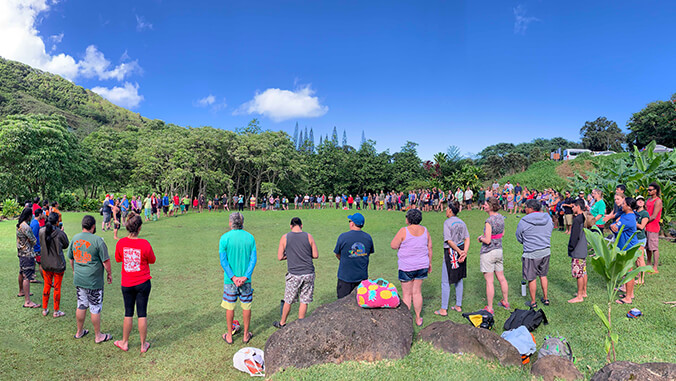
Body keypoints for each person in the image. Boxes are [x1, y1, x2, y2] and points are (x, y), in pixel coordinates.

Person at [114, 212, 156, 353]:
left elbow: (118, 259)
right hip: (143, 283)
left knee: (128, 313)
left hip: (127, 283)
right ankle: (143, 345)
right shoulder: (145, 244)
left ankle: (124, 342)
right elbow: (152, 260)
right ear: (139, 228)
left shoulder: (121, 243)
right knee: (142, 313)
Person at [68, 215, 113, 343]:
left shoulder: (75, 239)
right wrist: (109, 274)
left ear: (82, 225)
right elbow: (106, 261)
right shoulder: (98, 240)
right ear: (93, 226)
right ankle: (98, 335)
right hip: (94, 281)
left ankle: (79, 331)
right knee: (95, 307)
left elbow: (71, 258)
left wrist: (74, 270)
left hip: (80, 279)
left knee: (81, 305)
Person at [273, 217, 319, 328]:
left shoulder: (285, 237)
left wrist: (288, 255)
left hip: (294, 274)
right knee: (304, 300)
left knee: (288, 300)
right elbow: (315, 255)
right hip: (308, 273)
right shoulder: (309, 236)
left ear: (290, 226)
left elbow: (279, 257)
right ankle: (301, 324)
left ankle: (282, 322)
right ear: (301, 225)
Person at [219, 212, 257, 345]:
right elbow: (253, 259)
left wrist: (233, 277)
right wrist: (245, 276)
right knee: (246, 306)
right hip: (246, 280)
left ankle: (229, 335)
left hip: (230, 281)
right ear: (242, 223)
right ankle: (246, 335)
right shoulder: (250, 238)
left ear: (230, 223)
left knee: (230, 307)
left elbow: (223, 261)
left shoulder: (224, 238)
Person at [390, 209, 432, 326]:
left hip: (407, 267)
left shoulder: (404, 231)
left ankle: (407, 320)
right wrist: (429, 263)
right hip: (422, 265)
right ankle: (418, 318)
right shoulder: (425, 231)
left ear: (408, 219)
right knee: (417, 292)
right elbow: (430, 247)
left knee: (407, 294)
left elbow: (393, 245)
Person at [515, 199, 553, 308]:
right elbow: (550, 230)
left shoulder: (524, 221)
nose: (524, 209)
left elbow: (519, 235)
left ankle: (533, 302)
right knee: (543, 275)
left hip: (531, 253)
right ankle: (545, 299)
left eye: (526, 207)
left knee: (532, 278)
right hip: (545, 251)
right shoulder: (548, 218)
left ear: (531, 208)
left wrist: (525, 241)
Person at [435, 201, 470, 316]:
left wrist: (459, 252)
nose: (445, 210)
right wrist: (464, 252)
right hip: (461, 250)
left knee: (445, 281)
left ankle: (443, 309)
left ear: (450, 210)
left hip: (451, 252)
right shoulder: (462, 222)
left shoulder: (447, 223)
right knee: (459, 278)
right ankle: (458, 305)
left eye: (446, 209)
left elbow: (449, 241)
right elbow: (467, 238)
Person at [477, 198, 509, 313]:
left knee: (489, 281)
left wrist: (481, 238)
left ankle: (490, 308)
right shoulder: (501, 217)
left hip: (488, 252)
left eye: (485, 205)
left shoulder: (489, 221)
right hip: (499, 251)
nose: (484, 206)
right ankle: (505, 301)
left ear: (490, 206)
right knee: (501, 278)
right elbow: (502, 233)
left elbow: (488, 240)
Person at [334, 213, 374, 299]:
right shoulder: (368, 237)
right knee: (360, 302)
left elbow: (337, 254)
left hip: (345, 277)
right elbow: (368, 253)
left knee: (342, 303)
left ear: (352, 223)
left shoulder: (343, 237)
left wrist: (346, 259)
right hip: (362, 277)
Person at [39, 213, 69, 317]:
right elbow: (66, 245)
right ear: (57, 222)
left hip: (46, 264)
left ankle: (44, 309)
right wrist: (62, 231)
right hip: (58, 265)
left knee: (46, 285)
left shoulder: (41, 231)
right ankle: (56, 311)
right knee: (57, 288)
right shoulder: (60, 233)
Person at [612, 198, 639, 304]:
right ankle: (629, 293)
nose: (621, 205)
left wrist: (613, 225)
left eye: (623, 203)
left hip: (629, 247)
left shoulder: (629, 218)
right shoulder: (625, 215)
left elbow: (615, 227)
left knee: (628, 271)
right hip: (624, 247)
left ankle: (628, 298)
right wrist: (613, 225)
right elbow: (615, 224)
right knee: (626, 270)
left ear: (629, 206)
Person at [17, 208, 40, 307]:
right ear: (29, 216)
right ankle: (27, 301)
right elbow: (33, 240)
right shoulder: (26, 227)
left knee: (22, 272)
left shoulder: (20, 225)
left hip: (21, 253)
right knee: (27, 276)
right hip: (27, 254)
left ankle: (21, 291)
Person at [567, 199, 589, 303]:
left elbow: (574, 236)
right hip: (583, 249)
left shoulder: (577, 220)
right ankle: (584, 292)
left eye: (573, 207)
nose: (572, 209)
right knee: (583, 271)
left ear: (578, 207)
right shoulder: (584, 217)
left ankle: (579, 296)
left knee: (578, 273)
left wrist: (571, 247)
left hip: (578, 250)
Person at [645, 182, 663, 273]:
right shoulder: (648, 200)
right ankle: (648, 263)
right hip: (646, 226)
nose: (648, 191)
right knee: (648, 247)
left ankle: (655, 267)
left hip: (653, 226)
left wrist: (644, 221)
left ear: (655, 191)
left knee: (654, 247)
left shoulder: (658, 201)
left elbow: (654, 216)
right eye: (648, 189)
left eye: (650, 190)